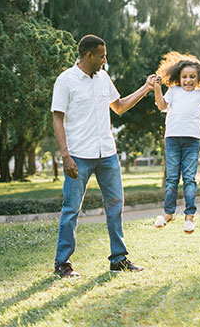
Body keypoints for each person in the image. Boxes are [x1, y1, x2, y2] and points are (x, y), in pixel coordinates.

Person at [51, 34, 156, 277]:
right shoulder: (66, 80)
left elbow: (118, 106)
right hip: (78, 155)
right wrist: (65, 156)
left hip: (107, 154)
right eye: (102, 56)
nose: (105, 60)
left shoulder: (103, 78)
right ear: (89, 55)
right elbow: (57, 117)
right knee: (71, 209)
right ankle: (62, 263)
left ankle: (118, 259)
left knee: (115, 205)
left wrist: (146, 88)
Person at [153, 51, 200, 234]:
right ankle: (168, 214)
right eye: (184, 77)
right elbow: (161, 106)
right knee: (172, 179)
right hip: (173, 139)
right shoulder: (173, 91)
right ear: (178, 78)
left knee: (189, 178)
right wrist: (157, 88)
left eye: (192, 77)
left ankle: (189, 217)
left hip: (192, 141)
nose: (188, 80)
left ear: (199, 78)